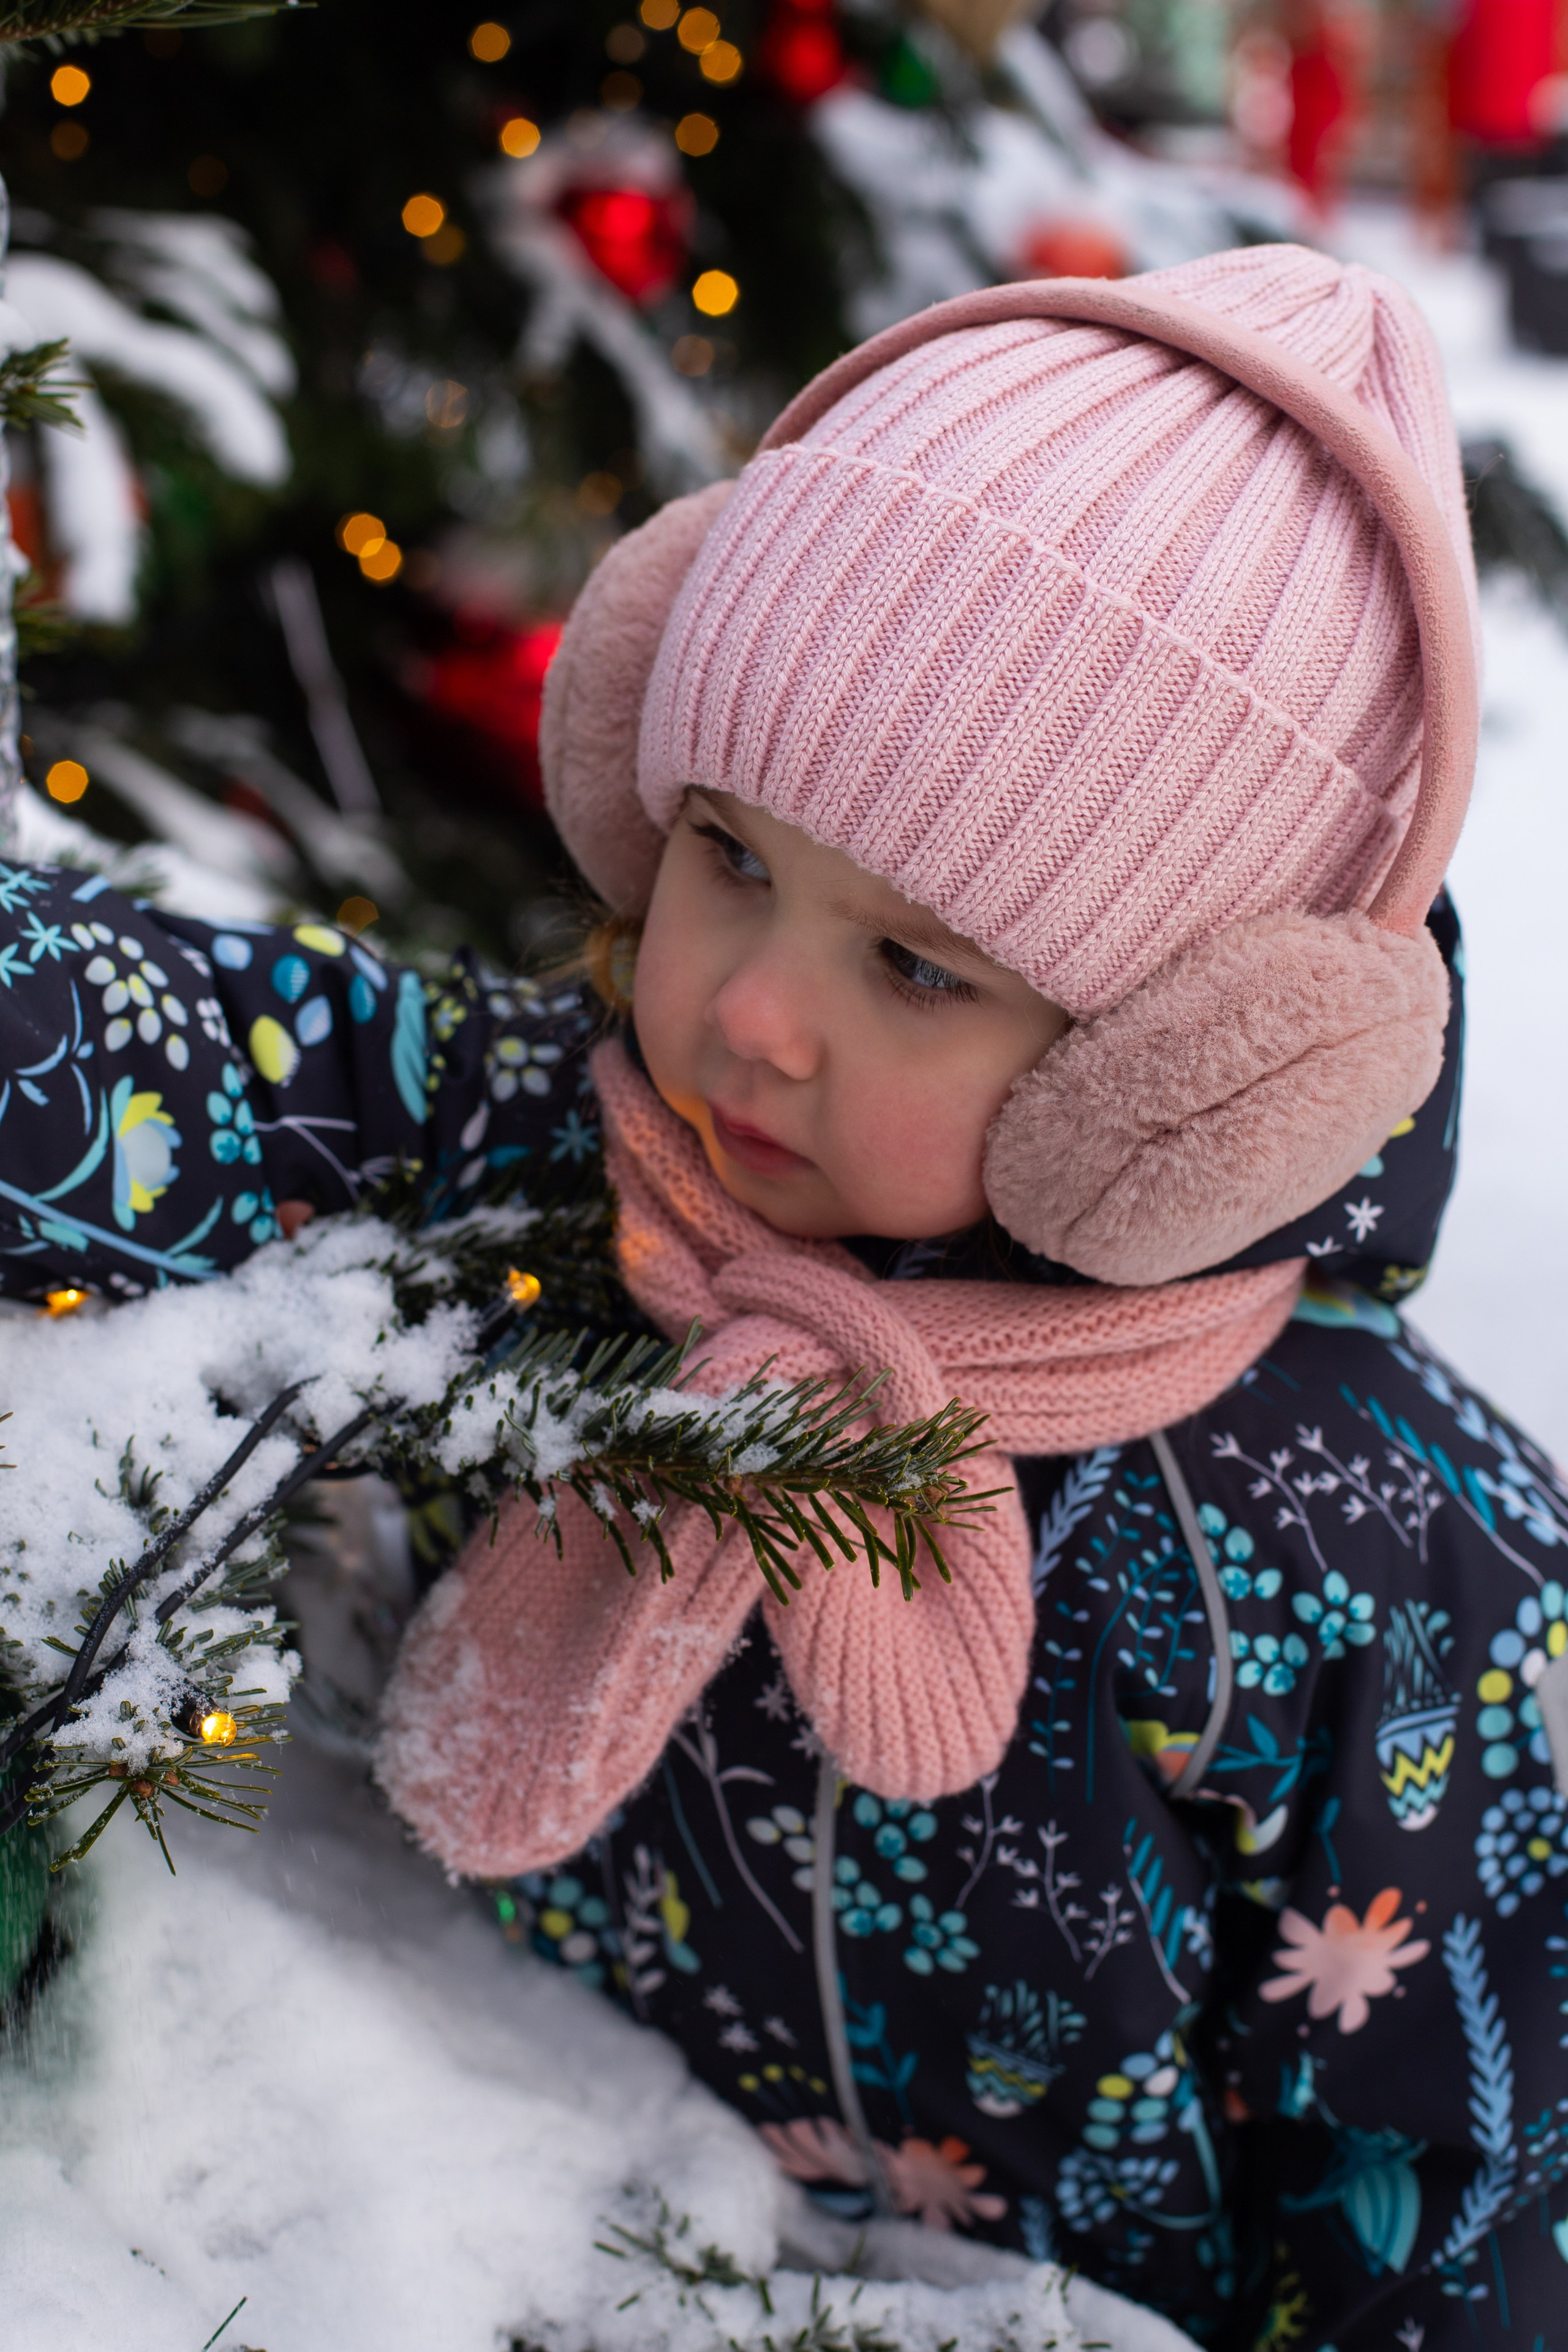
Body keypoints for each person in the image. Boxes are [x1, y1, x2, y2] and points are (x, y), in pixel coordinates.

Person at [2, 246, 1563, 2346]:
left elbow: (1466, 2184)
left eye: (916, 967)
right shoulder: (579, 1159)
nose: (746, 1014)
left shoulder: (1375, 1555)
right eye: (727, 851)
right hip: (503, 2204)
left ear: (1198, 1066)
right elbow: (189, 1064)